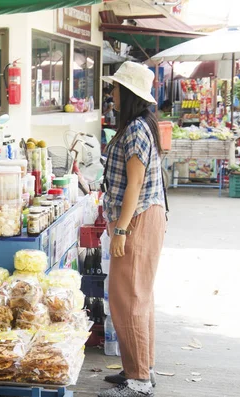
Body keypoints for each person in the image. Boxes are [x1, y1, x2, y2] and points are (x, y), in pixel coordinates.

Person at [98, 62, 167, 397]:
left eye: (114, 89)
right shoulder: (136, 127)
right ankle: (138, 369)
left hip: (137, 220)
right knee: (136, 297)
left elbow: (134, 186)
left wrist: (121, 230)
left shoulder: (137, 130)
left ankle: (139, 382)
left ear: (127, 94)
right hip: (138, 219)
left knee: (131, 300)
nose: (111, 94)